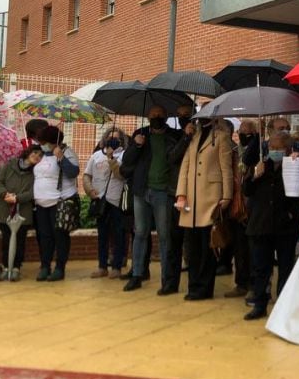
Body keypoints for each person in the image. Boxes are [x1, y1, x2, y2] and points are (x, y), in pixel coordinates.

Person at [120, 105, 186, 292]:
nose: (156, 116)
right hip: (142, 191)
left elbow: (177, 157)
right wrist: (136, 145)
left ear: (166, 116)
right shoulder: (140, 133)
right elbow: (127, 161)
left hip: (163, 192)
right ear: (148, 116)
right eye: (153, 114)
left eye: (160, 114)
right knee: (140, 233)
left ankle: (167, 278)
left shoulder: (174, 135)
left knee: (165, 236)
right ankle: (137, 274)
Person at [243, 131, 299, 320]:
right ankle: (260, 303)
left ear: (287, 149)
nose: (274, 151)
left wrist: (297, 160)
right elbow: (247, 190)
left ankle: (283, 306)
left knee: (285, 266)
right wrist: (254, 174)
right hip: (261, 225)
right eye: (271, 148)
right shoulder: (261, 165)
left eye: (278, 148)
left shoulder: (294, 165)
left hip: (284, 226)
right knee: (261, 267)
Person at [175, 117, 234, 300]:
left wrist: (227, 195)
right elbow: (185, 165)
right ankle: (193, 286)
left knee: (207, 245)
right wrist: (181, 193)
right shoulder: (193, 135)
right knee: (192, 246)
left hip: (211, 196)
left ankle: (204, 288)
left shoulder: (222, 137)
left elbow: (226, 168)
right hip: (191, 199)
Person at [32, 125, 80, 281]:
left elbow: (73, 173)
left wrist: (61, 158)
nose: (42, 144)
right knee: (44, 236)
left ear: (53, 141)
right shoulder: (40, 153)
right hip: (41, 203)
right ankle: (45, 266)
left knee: (60, 236)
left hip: (59, 201)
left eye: (45, 141)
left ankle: (60, 268)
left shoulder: (66, 152)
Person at [0, 144, 44, 276]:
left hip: (23, 209)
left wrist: (18, 198)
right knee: (6, 239)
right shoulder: (10, 165)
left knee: (20, 240)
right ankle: (5, 266)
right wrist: (5, 194)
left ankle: (16, 267)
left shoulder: (37, 172)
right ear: (28, 152)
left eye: (40, 155)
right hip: (4, 208)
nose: (37, 156)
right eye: (35, 152)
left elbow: (34, 191)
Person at [222, 118, 260, 299]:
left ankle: (255, 284)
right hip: (236, 206)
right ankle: (241, 283)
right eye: (242, 132)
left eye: (249, 133)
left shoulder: (259, 152)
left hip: (253, 206)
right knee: (239, 248)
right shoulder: (234, 151)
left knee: (253, 249)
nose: (245, 136)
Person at [84, 128, 127, 279]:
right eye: (110, 137)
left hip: (116, 200)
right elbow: (87, 175)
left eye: (116, 138)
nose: (112, 140)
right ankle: (102, 266)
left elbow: (120, 175)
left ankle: (116, 266)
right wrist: (89, 190)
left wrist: (111, 158)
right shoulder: (96, 155)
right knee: (102, 235)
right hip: (100, 200)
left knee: (118, 235)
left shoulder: (123, 155)